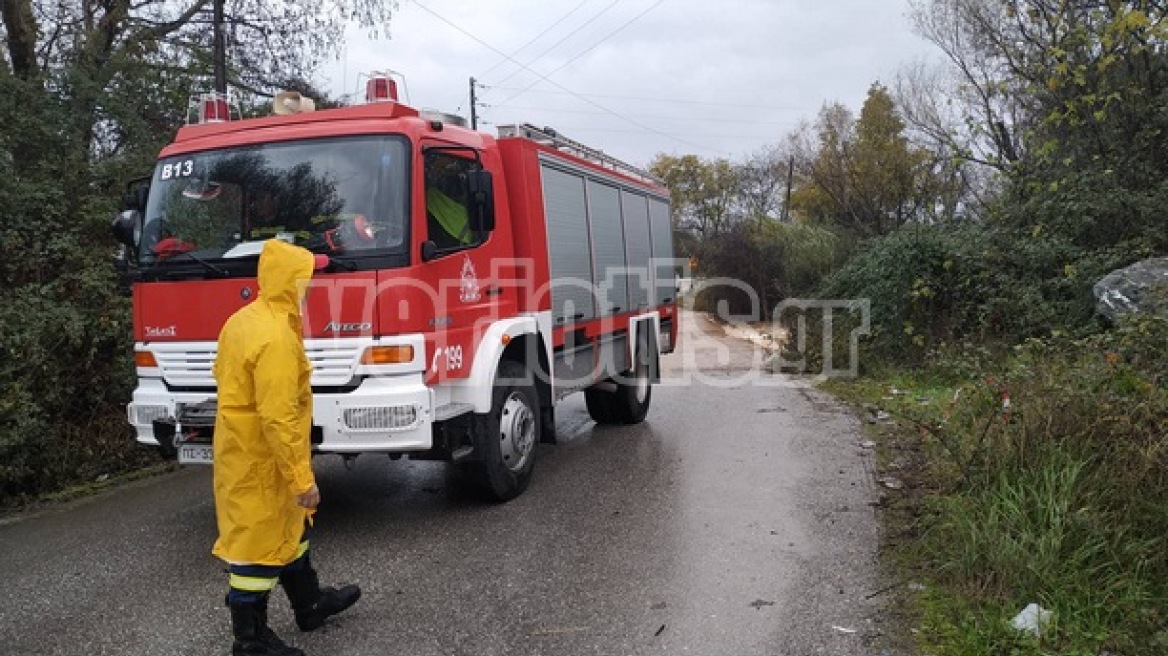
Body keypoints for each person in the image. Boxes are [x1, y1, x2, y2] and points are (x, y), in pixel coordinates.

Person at [211, 239, 360, 656]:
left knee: (287, 528)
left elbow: (223, 376)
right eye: (307, 278)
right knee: (254, 546)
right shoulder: (276, 336)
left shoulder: (243, 320)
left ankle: (309, 604)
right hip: (263, 456)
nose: (312, 287)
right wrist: (301, 478)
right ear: (291, 283)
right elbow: (278, 417)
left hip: (243, 451)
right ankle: (250, 639)